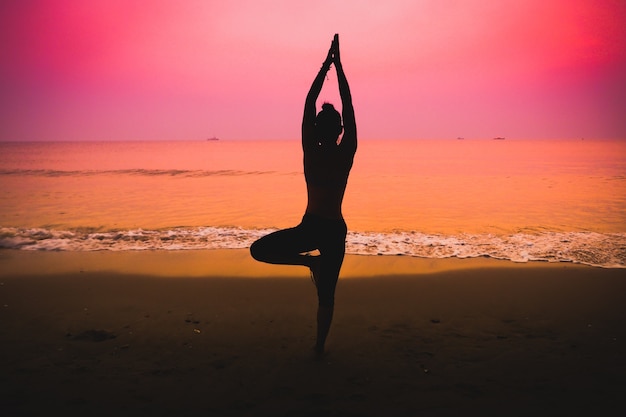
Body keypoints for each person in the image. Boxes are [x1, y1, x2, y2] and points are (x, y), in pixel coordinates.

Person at [250, 34, 357, 357]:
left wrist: (326, 63)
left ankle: (310, 263)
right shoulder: (346, 152)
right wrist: (338, 67)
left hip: (312, 228)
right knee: (327, 295)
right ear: (339, 130)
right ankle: (319, 347)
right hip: (331, 229)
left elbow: (309, 102)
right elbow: (348, 106)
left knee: (259, 250)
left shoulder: (310, 150)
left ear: (316, 127)